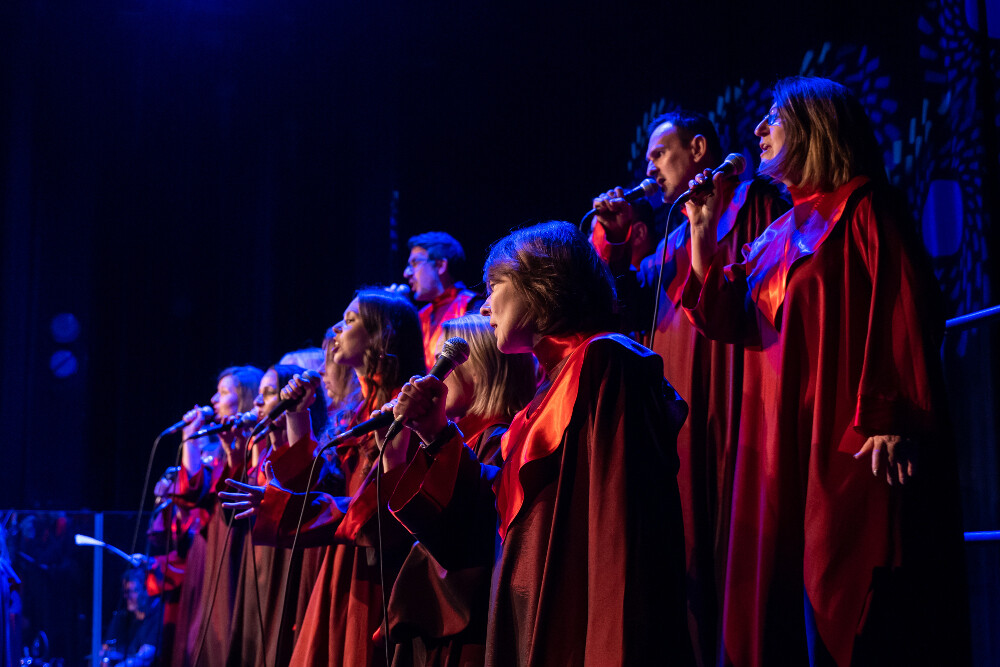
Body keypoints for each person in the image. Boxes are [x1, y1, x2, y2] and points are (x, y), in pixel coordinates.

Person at [683, 76, 969, 665]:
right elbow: (723, 314)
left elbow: (903, 306)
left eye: (774, 117)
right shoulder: (780, 231)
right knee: (782, 607)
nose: (758, 129)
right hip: (781, 442)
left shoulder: (864, 206)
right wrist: (701, 230)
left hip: (843, 438)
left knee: (849, 600)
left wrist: (890, 414)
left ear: (814, 126)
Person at [383, 221, 693, 665]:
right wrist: (436, 433)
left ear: (540, 282)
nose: (484, 306)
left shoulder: (606, 362)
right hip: (532, 617)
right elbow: (487, 526)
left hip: (576, 624)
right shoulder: (544, 398)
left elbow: (622, 533)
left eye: (495, 286)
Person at [591, 110, 789, 665]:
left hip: (742, 394)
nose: (650, 169)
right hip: (684, 410)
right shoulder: (670, 240)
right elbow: (624, 309)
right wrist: (616, 239)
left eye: (659, 154)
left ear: (698, 148)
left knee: (744, 549)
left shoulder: (756, 205)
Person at [223, 289, 425, 667]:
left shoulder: (404, 408)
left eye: (350, 321)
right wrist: (297, 415)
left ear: (381, 334)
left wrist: (285, 505)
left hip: (377, 568)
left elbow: (377, 510)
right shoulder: (358, 409)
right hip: (345, 562)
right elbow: (317, 485)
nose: (336, 330)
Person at [381, 314, 536, 666]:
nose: (430, 376)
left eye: (443, 363)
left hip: (466, 633)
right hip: (439, 629)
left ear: (481, 372)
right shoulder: (457, 441)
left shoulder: (499, 441)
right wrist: (393, 459)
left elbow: (464, 537)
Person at [227, 364, 329, 667]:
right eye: (258, 394)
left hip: (288, 565)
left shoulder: (311, 451)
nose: (258, 402)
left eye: (269, 392)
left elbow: (300, 480)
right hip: (259, 567)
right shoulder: (265, 454)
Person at [169, 365, 263, 667]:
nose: (213, 399)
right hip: (211, 544)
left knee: (224, 626)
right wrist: (190, 437)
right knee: (201, 636)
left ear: (245, 398)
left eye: (223, 392)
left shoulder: (255, 443)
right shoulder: (215, 446)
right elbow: (190, 491)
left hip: (237, 540)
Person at [403, 232, 481, 369]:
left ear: (440, 266)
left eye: (415, 263)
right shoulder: (422, 315)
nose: (406, 273)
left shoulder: (473, 307)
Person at [100, 568, 163, 667]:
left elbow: (146, 655)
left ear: (144, 591)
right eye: (125, 592)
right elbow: (104, 648)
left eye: (131, 591)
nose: (127, 596)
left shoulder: (155, 616)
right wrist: (103, 659)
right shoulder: (121, 617)